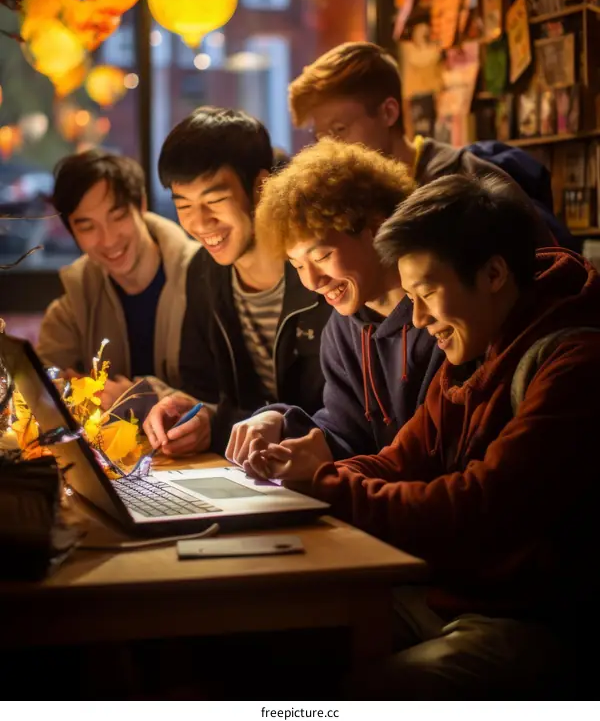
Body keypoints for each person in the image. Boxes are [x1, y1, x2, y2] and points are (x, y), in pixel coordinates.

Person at [250, 174, 600, 697]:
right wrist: (303, 478)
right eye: (410, 297)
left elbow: (476, 505)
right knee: (277, 641)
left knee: (359, 694)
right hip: (450, 596)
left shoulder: (573, 363)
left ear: (495, 273)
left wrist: (323, 486)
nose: (417, 318)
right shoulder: (476, 345)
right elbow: (397, 460)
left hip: (531, 623)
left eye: (428, 293)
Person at [226, 138, 443, 471]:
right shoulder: (342, 329)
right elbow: (347, 435)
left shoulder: (442, 317)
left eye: (322, 256)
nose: (312, 281)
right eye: (296, 264)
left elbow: (432, 459)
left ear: (377, 228)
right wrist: (280, 422)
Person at [142, 107, 331, 458]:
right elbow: (204, 393)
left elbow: (349, 417)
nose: (200, 223)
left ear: (260, 187)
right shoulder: (203, 271)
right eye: (183, 205)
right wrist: (190, 417)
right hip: (245, 473)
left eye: (214, 200)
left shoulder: (320, 268)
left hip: (326, 472)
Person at [288, 40, 575, 248]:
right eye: (320, 137)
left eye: (340, 129)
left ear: (389, 112)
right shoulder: (354, 196)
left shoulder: (461, 181)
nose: (329, 149)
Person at [38, 150, 198, 410]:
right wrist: (69, 391)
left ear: (141, 205)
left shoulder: (203, 277)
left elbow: (231, 402)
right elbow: (38, 389)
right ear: (73, 234)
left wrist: (140, 400)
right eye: (88, 227)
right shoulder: (75, 302)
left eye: (118, 215)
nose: (109, 239)